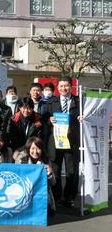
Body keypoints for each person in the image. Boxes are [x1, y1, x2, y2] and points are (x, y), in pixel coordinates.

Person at [46, 76, 80, 208]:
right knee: (55, 170)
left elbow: (87, 116)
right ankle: (56, 196)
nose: (63, 88)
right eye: (61, 86)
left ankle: (69, 197)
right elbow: (44, 120)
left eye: (66, 86)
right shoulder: (51, 102)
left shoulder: (79, 101)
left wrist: (82, 119)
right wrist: (50, 120)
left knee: (72, 172)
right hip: (55, 141)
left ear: (71, 87)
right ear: (57, 88)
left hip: (72, 141)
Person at [13, 137, 56, 215]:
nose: (35, 151)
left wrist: (50, 173)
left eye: (38, 148)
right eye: (32, 148)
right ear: (28, 149)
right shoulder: (21, 161)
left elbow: (53, 183)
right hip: (24, 193)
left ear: (42, 150)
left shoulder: (46, 161)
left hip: (40, 194)